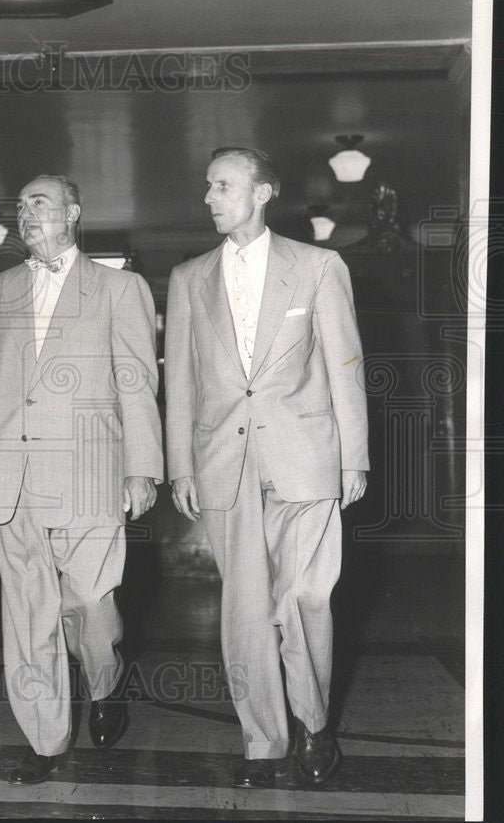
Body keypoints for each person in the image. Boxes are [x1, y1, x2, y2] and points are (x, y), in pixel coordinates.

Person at [164, 147, 369, 788]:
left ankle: (313, 721)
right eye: (208, 187)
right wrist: (180, 466)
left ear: (263, 193)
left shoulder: (317, 266)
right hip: (224, 460)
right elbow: (184, 380)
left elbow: (344, 366)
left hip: (306, 458)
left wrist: (353, 458)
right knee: (246, 610)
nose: (209, 198)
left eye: (222, 186)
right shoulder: (188, 277)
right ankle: (264, 740)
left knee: (305, 594)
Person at [0, 174, 163, 785]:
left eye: (39, 203)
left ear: (73, 212)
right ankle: (45, 741)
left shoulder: (119, 287)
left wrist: (142, 469)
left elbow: (136, 381)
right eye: (20, 207)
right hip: (13, 480)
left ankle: (105, 682)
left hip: (90, 478)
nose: (26, 214)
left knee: (89, 602)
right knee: (27, 615)